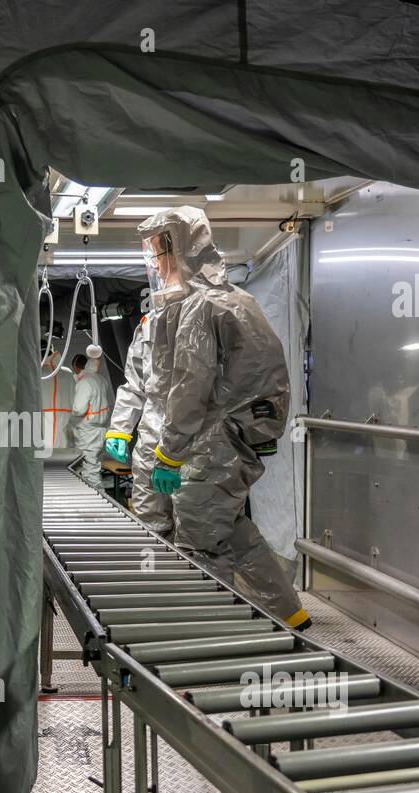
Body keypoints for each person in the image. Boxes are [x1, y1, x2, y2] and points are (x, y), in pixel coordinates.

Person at [139, 206, 311, 631]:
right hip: (242, 431)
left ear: (178, 250)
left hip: (220, 437)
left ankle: (210, 636)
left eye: (158, 253)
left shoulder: (201, 307)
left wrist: (170, 454)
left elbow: (190, 386)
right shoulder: (231, 299)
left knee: (199, 534)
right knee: (229, 524)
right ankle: (292, 612)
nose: (155, 265)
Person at [103, 312, 173, 534]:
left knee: (199, 531)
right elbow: (134, 384)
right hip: (151, 441)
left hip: (199, 441)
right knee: (150, 524)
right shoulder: (149, 323)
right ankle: (156, 568)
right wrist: (119, 430)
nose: (160, 274)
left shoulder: (214, 311)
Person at [66, 353, 113, 487]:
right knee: (94, 466)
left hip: (88, 433)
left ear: (75, 367)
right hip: (101, 430)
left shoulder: (85, 382)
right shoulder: (101, 380)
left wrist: (69, 407)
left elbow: (79, 409)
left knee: (89, 471)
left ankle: (98, 502)